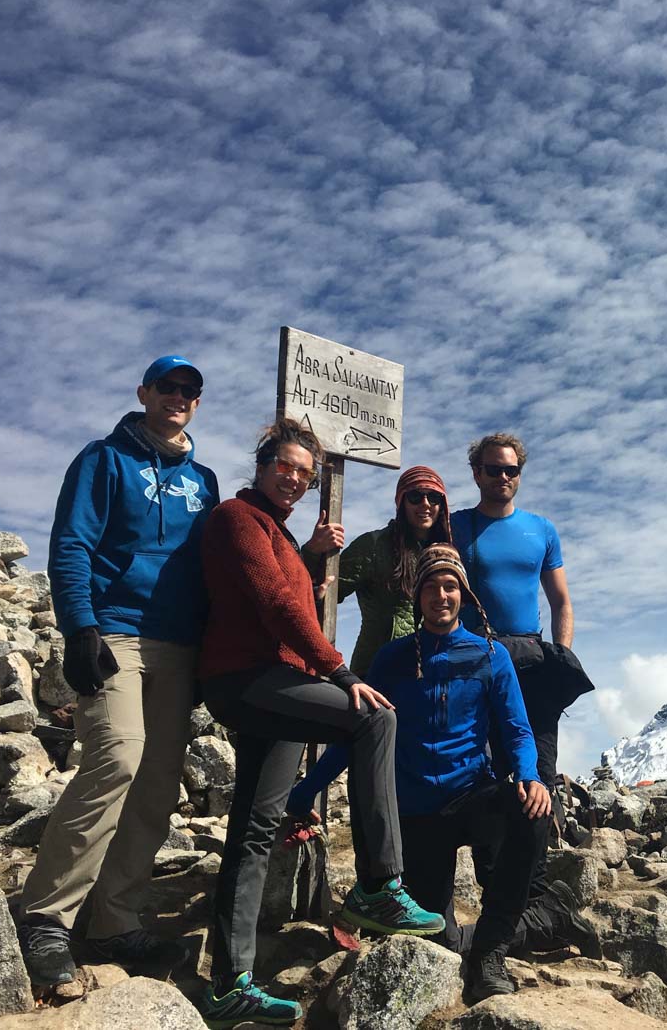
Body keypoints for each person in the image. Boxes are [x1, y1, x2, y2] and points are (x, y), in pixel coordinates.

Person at [196, 418, 443, 1027]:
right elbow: (278, 606)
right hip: (248, 678)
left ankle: (231, 983)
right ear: (261, 463)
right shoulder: (238, 518)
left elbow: (292, 592)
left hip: (271, 688)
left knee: (256, 826)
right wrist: (340, 673)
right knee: (374, 719)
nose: (295, 479)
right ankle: (379, 886)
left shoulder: (276, 533)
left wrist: (308, 556)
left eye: (305, 473)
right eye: (286, 466)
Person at [19, 356, 220, 987]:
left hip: (179, 645)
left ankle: (113, 918)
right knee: (119, 757)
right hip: (113, 634)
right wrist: (79, 626)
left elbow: (216, 565)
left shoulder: (205, 481)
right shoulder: (102, 460)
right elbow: (72, 542)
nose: (178, 397)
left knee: (159, 784)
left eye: (190, 390)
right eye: (168, 387)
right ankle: (45, 914)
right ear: (144, 393)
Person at [290, 545, 563, 1004]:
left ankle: (492, 953)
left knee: (531, 813)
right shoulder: (391, 659)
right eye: (432, 586)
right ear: (417, 597)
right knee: (435, 939)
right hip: (414, 816)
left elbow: (517, 729)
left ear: (464, 594)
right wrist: (303, 794)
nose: (442, 595)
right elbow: (358, 736)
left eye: (451, 586)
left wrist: (531, 776)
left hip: (471, 797)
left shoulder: (490, 656)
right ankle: (544, 920)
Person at [450, 432, 573, 784]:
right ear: (476, 473)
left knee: (538, 764)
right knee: (481, 768)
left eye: (511, 470)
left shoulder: (542, 530)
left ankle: (541, 828)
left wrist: (561, 656)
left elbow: (561, 601)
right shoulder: (455, 526)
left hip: (532, 656)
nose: (503, 477)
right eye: (493, 469)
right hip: (475, 652)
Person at [313, 465, 452, 678]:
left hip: (434, 665)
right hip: (378, 667)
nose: (425, 503)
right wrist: (312, 551)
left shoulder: (447, 551)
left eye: (433, 497)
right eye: (415, 496)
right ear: (401, 502)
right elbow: (324, 591)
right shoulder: (373, 545)